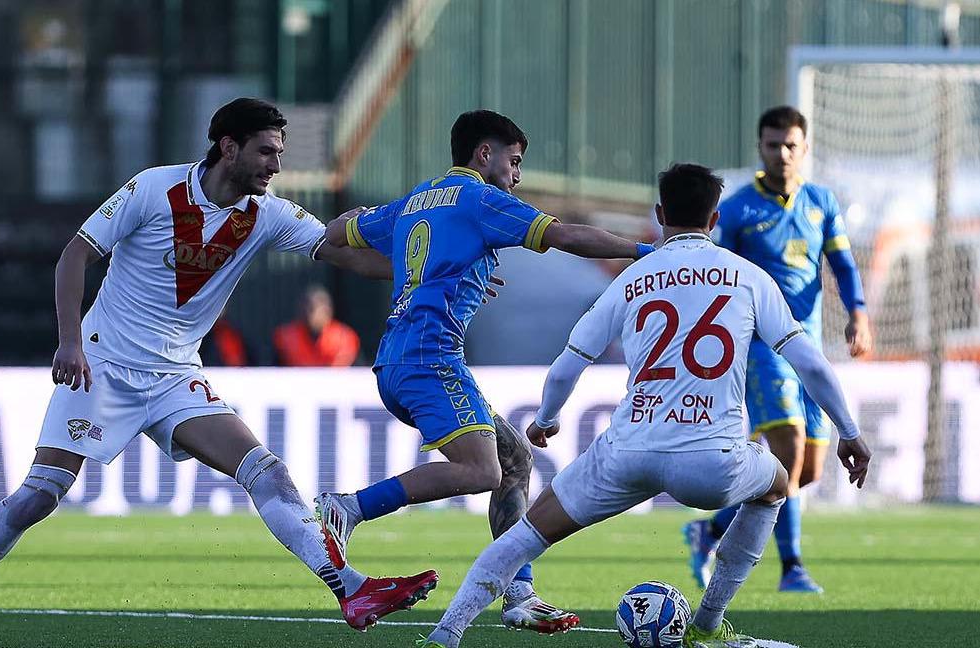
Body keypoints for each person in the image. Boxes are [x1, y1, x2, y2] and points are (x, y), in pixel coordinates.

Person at [0, 98, 438, 646]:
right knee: (39, 496)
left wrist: (430, 272)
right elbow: (74, 256)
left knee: (267, 472)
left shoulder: (268, 214)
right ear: (228, 147)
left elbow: (344, 253)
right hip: (103, 366)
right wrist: (69, 341)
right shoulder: (153, 188)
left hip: (176, 376)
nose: (276, 165)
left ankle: (352, 589)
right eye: (266, 152)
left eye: (278, 153)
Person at [418, 163, 872, 648]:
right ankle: (707, 623)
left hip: (628, 452)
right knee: (776, 485)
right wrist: (848, 431)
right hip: (711, 463)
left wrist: (546, 419)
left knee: (525, 535)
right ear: (714, 219)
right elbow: (812, 365)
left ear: (659, 214)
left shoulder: (633, 278)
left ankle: (446, 633)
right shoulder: (748, 277)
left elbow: (569, 364)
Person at [315, 109, 655, 633]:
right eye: (513, 161)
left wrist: (434, 271)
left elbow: (335, 238)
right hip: (431, 358)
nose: (516, 175)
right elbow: (564, 235)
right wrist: (645, 251)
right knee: (484, 471)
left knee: (515, 459)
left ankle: (519, 595)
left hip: (398, 358)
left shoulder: (415, 199)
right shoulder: (480, 199)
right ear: (484, 154)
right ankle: (349, 507)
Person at [683, 106, 873, 594]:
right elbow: (717, 273)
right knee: (787, 450)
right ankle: (792, 568)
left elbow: (843, 265)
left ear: (804, 148)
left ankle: (710, 529)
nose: (782, 154)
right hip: (762, 347)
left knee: (804, 472)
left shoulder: (821, 202)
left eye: (791, 145)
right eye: (773, 145)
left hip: (807, 346)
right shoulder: (739, 209)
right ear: (760, 148)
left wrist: (858, 312)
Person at [273, 284, 360, 366]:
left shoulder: (344, 338)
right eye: (306, 307)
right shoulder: (287, 337)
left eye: (313, 308)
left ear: (328, 311)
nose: (308, 313)